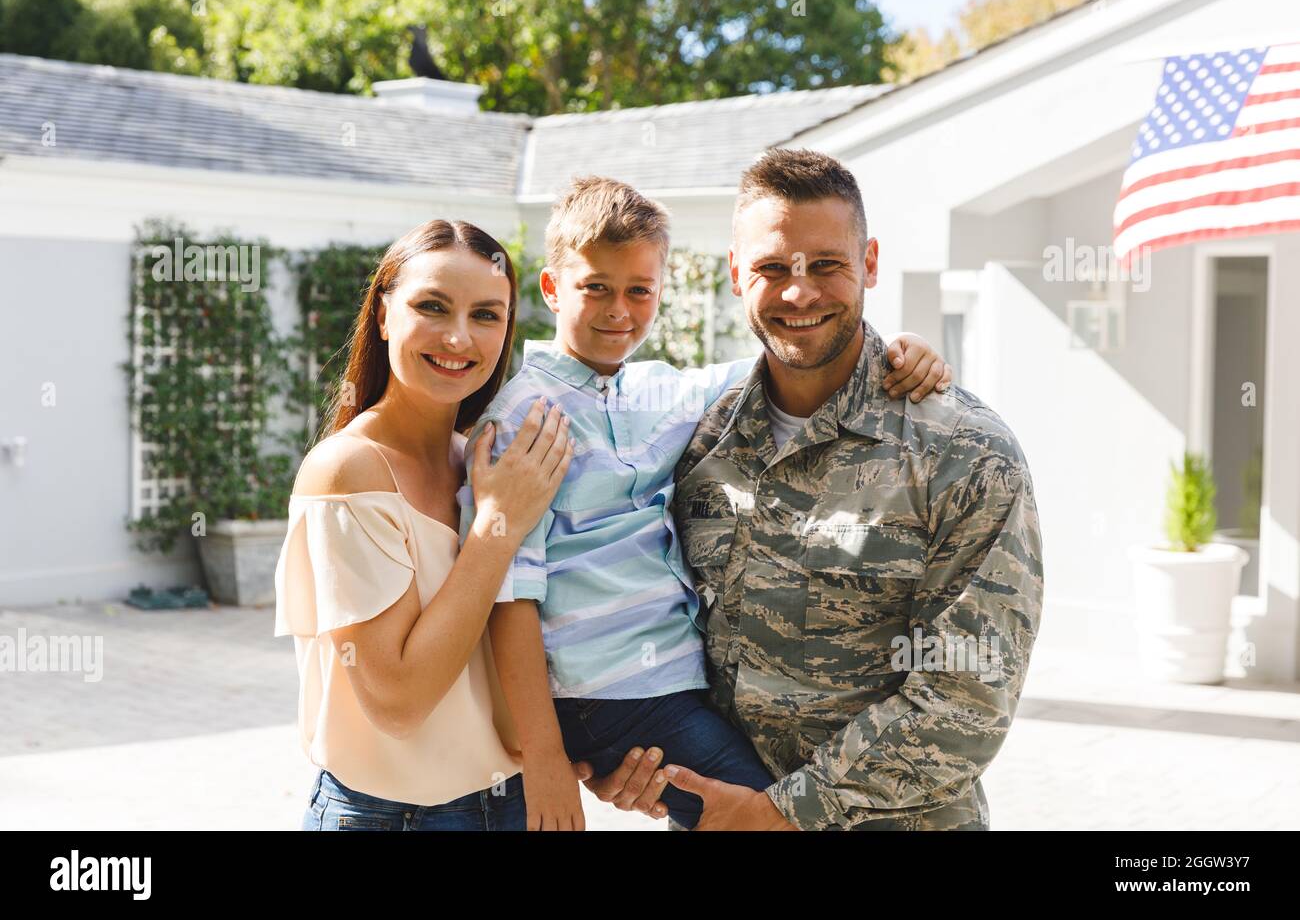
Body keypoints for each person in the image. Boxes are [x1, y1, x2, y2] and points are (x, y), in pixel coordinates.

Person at [459, 175, 954, 830]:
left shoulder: (659, 392)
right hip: (607, 693)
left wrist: (896, 351)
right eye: (595, 288)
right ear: (552, 289)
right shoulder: (523, 420)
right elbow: (508, 596)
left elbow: (791, 359)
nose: (618, 310)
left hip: (673, 681)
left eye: (640, 290)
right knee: (757, 816)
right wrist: (544, 753)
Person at [634, 148, 1045, 830]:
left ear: (870, 264)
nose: (799, 293)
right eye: (771, 267)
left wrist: (782, 814)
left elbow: (970, 696)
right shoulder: (696, 439)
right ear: (737, 274)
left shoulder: (963, 452)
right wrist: (630, 753)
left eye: (826, 264)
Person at [273, 218, 577, 830]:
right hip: (393, 818)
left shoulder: (483, 463)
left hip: (513, 803)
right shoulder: (349, 471)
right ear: (384, 316)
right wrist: (496, 525)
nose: (459, 337)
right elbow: (399, 702)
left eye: (487, 315)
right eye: (432, 307)